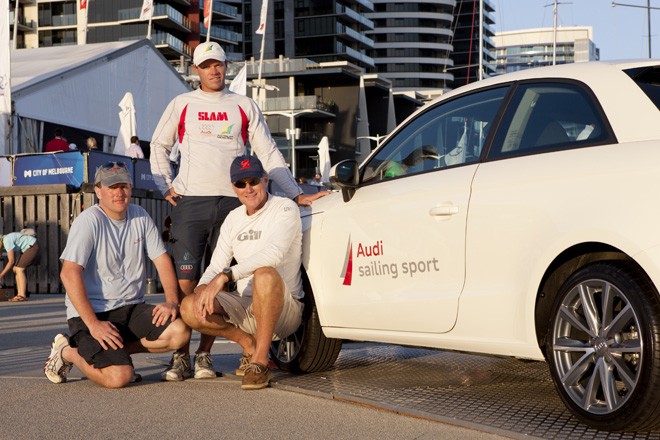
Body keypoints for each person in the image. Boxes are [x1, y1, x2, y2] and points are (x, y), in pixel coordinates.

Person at [150, 41, 327, 381]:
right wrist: (165, 186)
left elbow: (267, 151)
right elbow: (159, 144)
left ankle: (204, 355)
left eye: (219, 64)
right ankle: (180, 354)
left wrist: (295, 193)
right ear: (196, 71)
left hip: (233, 202)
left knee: (226, 284)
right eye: (206, 66)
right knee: (188, 281)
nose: (214, 70)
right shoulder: (182, 104)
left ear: (225, 67)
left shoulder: (243, 105)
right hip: (192, 201)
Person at [43, 161, 191, 388]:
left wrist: (172, 302)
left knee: (179, 332)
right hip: (93, 314)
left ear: (131, 188)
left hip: (131, 308)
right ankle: (68, 352)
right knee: (118, 377)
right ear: (98, 190)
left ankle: (114, 354)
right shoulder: (89, 221)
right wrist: (92, 324)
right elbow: (69, 273)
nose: (119, 193)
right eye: (112, 187)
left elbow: (162, 260)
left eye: (124, 186)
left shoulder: (140, 215)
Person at [180, 155, 303, 390]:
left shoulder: (285, 207)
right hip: (245, 310)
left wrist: (226, 276)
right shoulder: (233, 218)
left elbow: (274, 254)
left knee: (264, 274)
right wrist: (203, 289)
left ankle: (260, 362)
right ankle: (248, 345)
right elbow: (215, 267)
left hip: (283, 313)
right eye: (240, 184)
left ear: (265, 180)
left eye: (253, 181)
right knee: (189, 306)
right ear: (233, 188)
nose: (248, 189)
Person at [0, 230, 40, 302]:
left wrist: (1, 275)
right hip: (28, 248)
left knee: (19, 269)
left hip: (32, 246)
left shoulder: (6, 241)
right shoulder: (4, 241)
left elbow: (11, 261)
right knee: (15, 269)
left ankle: (22, 295)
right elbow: (6, 254)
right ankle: (19, 294)